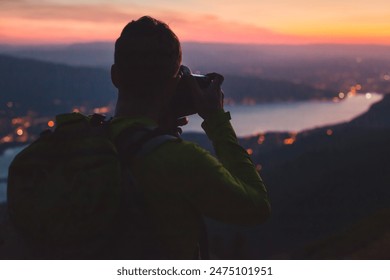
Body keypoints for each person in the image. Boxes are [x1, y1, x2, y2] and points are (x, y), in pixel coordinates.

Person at [110, 15, 270, 259]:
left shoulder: (78, 143)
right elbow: (257, 207)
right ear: (176, 84)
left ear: (114, 76)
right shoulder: (179, 160)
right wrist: (216, 119)